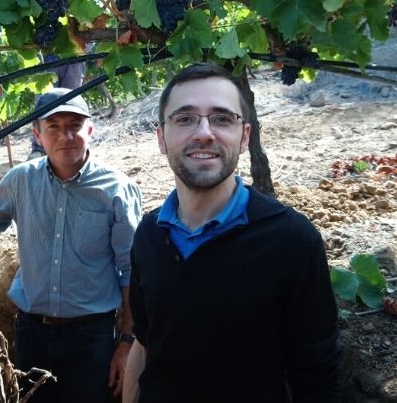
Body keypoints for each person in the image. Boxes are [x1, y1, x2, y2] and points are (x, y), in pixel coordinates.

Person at [123, 63, 341, 403]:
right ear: (162, 138)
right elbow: (145, 343)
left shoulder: (292, 241)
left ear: (244, 137)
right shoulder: (149, 236)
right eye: (185, 118)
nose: (204, 132)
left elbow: (318, 377)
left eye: (222, 118)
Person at [0, 88, 142, 403]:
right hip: (32, 333)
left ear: (91, 130)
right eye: (53, 126)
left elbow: (131, 273)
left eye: (74, 125)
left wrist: (126, 344)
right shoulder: (20, 181)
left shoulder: (117, 189)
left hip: (91, 337)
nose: (65, 135)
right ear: (37, 135)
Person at [28, 54, 86, 160]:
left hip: (76, 56)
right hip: (46, 54)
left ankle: (74, 150)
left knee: (71, 106)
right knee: (44, 104)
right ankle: (39, 150)